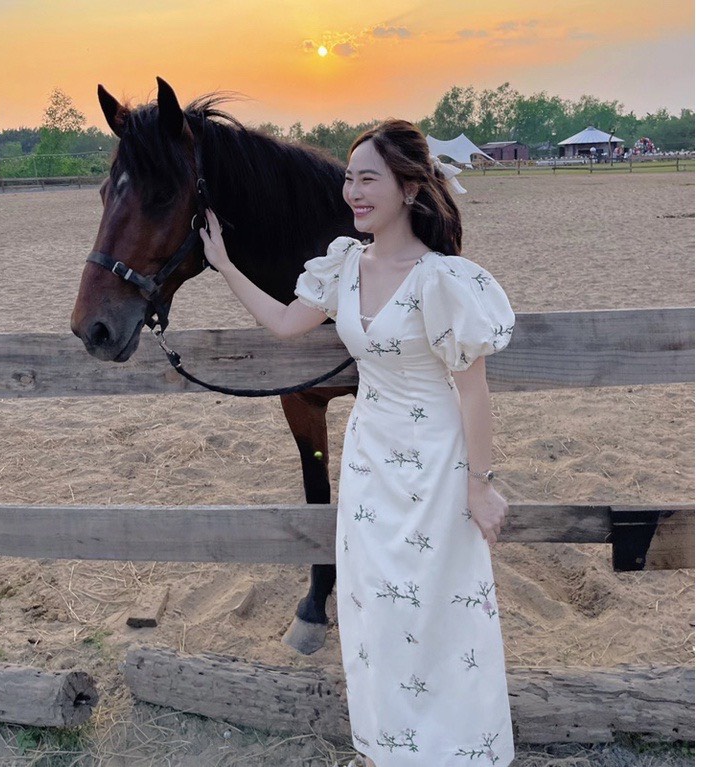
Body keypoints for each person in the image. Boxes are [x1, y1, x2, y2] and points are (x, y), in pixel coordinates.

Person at [199, 119, 515, 766]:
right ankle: (387, 748)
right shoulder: (342, 265)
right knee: (375, 610)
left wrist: (480, 485)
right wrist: (225, 264)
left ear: (408, 188)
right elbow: (284, 322)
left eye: (368, 179)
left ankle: (457, 751)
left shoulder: (441, 278)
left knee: (439, 609)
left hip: (436, 462)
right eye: (349, 178)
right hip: (369, 459)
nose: (353, 192)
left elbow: (473, 391)